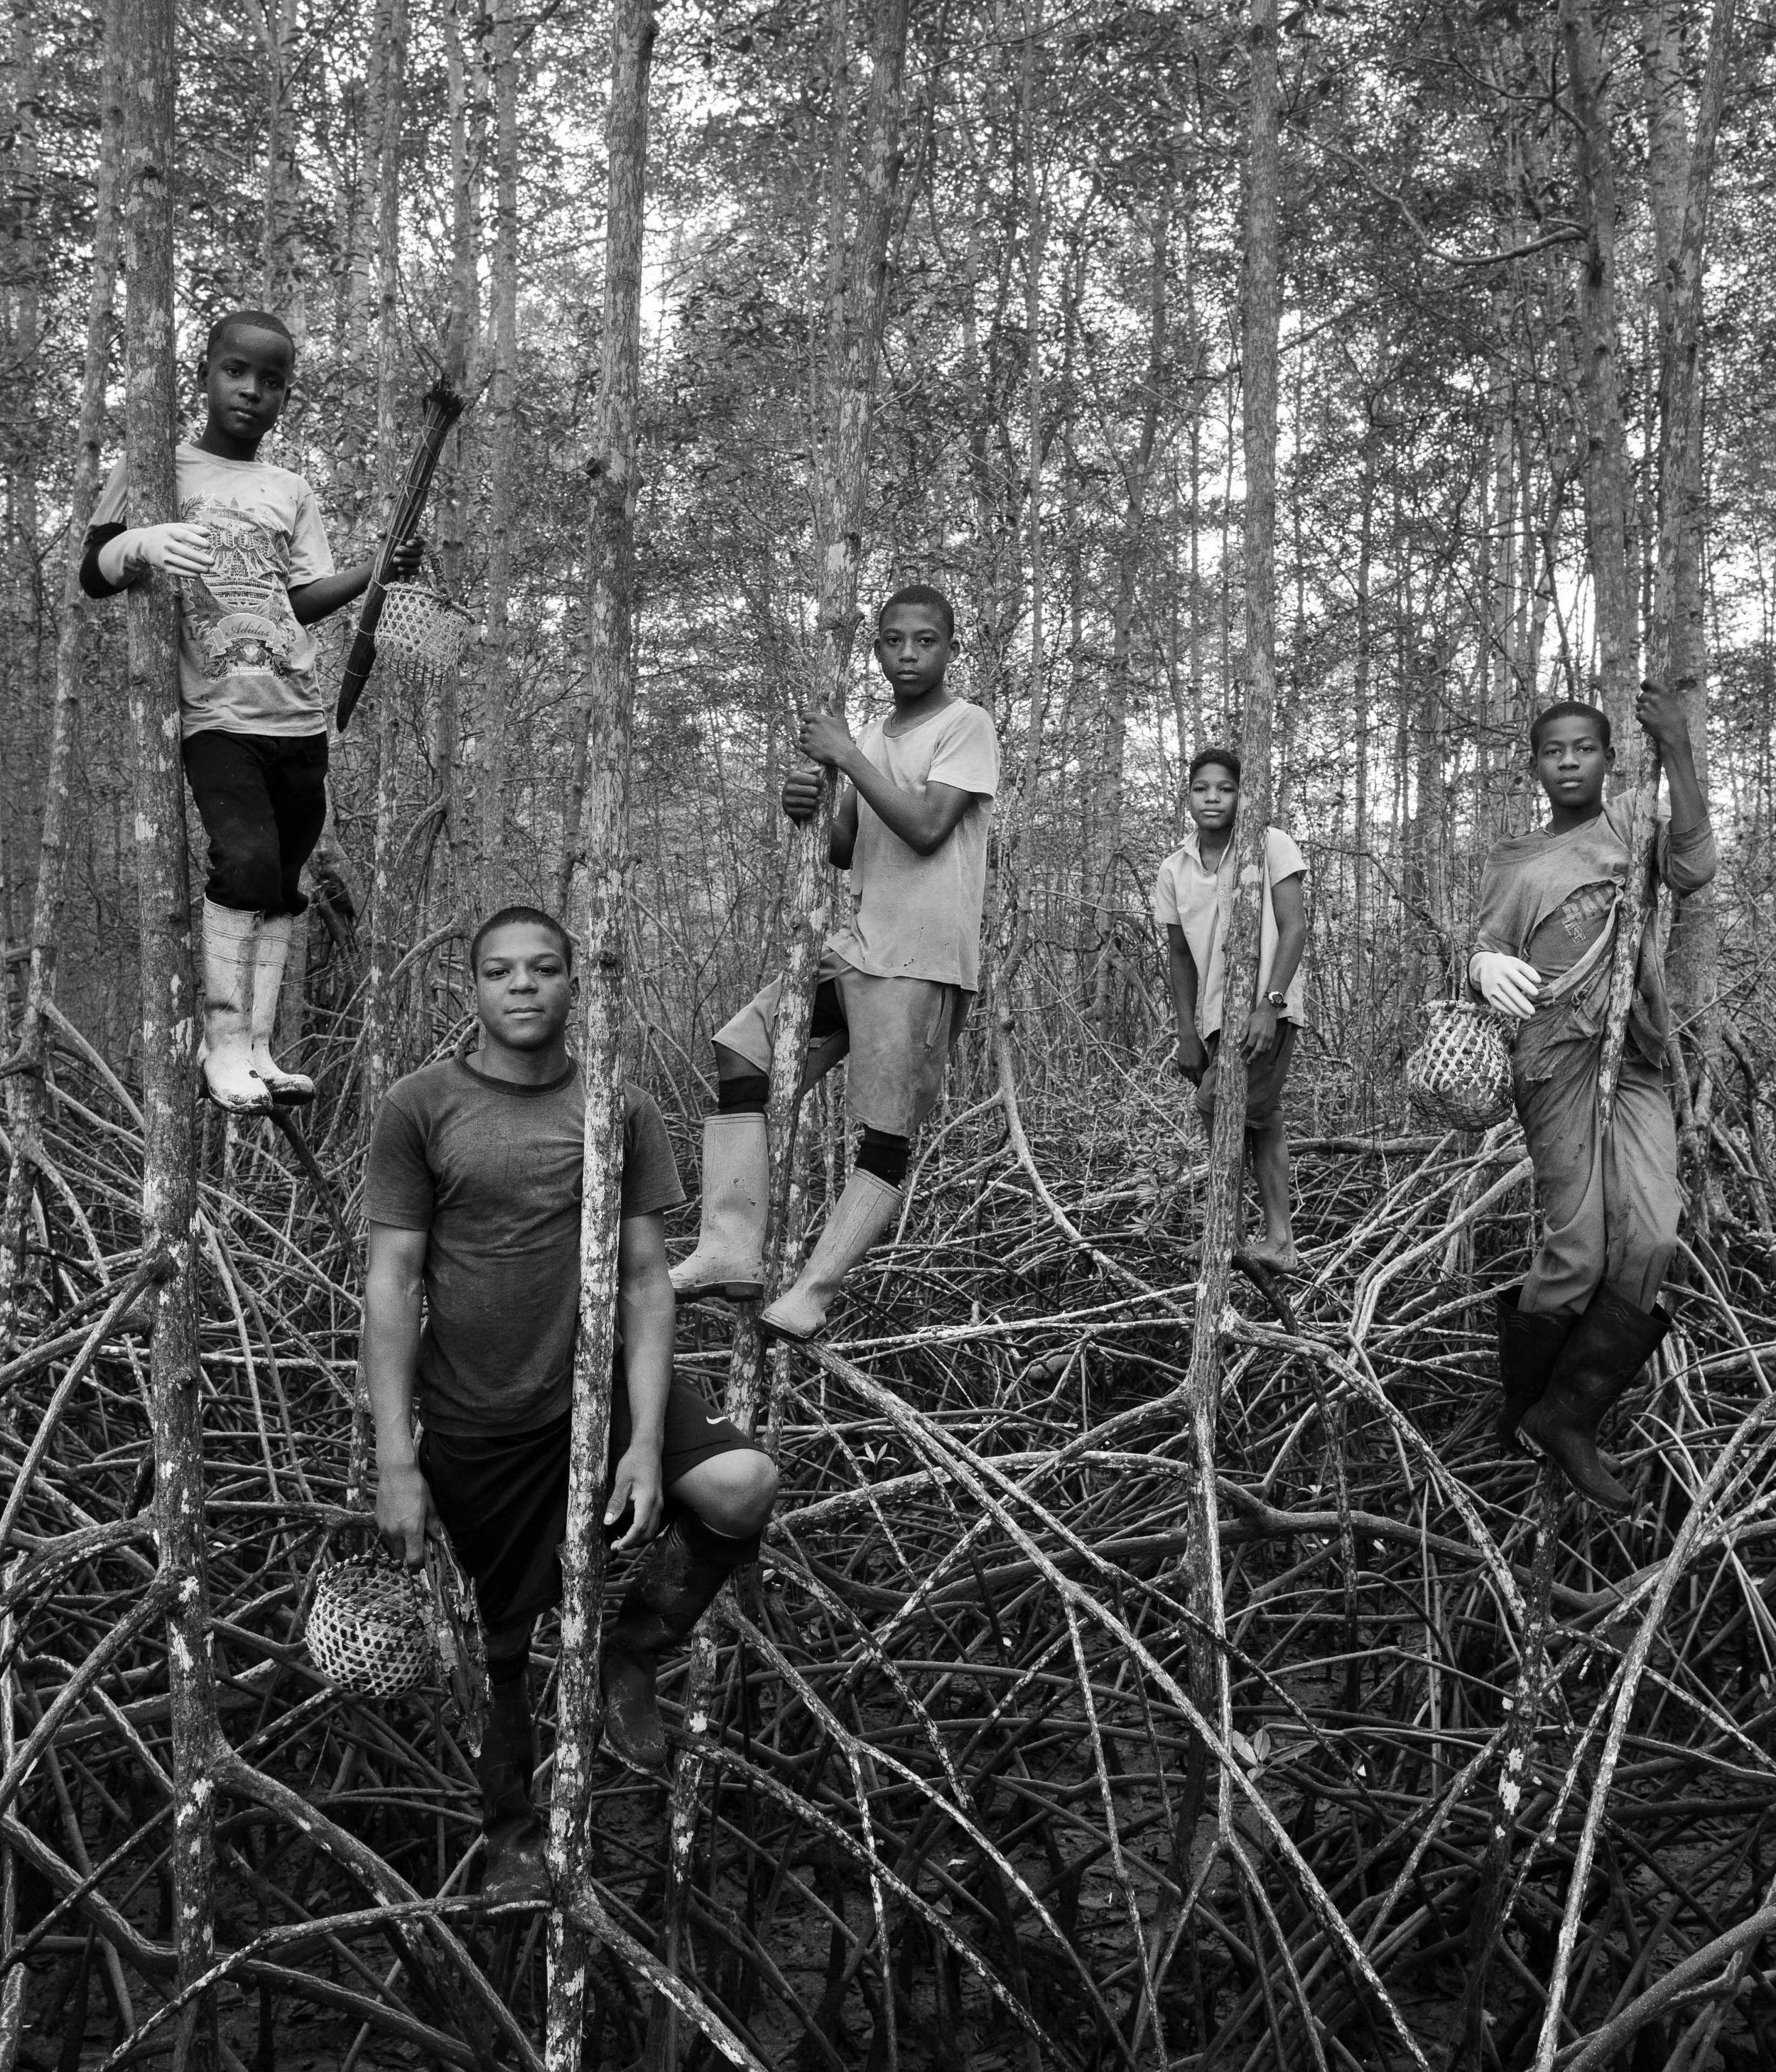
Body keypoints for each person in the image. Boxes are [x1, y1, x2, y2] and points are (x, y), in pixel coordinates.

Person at [364, 908, 779, 1903]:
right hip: (477, 1418)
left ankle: (629, 1658)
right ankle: (510, 1837)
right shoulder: (419, 1108)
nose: (522, 986)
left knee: (741, 1484)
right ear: (472, 989)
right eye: (500, 971)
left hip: (594, 1394)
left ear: (570, 987)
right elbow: (391, 1280)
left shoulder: (617, 1110)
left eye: (543, 968)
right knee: (505, 1649)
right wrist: (396, 1459)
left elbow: (645, 1280)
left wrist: (639, 1449)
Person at [80, 309, 423, 1112]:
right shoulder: (157, 466)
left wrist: (375, 569)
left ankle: (260, 1048)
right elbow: (92, 573)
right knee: (245, 863)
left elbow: (301, 601)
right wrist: (147, 542)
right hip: (217, 714)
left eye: (272, 382)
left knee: (281, 884)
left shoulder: (288, 490)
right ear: (205, 372)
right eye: (238, 371)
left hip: (298, 716)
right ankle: (223, 1045)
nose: (253, 391)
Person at [673, 585, 999, 1340]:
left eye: (924, 641)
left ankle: (815, 1290)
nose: (907, 655)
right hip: (856, 944)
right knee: (741, 1048)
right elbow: (846, 844)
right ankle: (728, 1247)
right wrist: (806, 803)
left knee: (885, 1131)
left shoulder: (965, 725)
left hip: (920, 958)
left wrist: (846, 754)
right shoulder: (878, 736)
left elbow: (923, 827)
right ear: (877, 648)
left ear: (951, 649)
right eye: (893, 641)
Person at [1470, 688, 1715, 1512]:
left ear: (1609, 759)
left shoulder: (1634, 824)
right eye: (1553, 749)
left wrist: (1676, 748)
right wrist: (1479, 965)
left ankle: (1571, 1413)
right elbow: (1485, 949)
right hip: (1550, 1059)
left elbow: (1694, 868)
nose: (1569, 759)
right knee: (1577, 1248)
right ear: (1534, 764)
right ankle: (1524, 1408)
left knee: (1649, 1230)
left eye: (1585, 747)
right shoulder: (1516, 857)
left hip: (1634, 1052)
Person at [1153, 747, 1308, 1271]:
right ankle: (1278, 1240)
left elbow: (1295, 927)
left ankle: (1228, 1231)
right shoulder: (1174, 868)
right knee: (1260, 1121)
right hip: (1217, 1018)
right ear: (1188, 795)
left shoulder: (1270, 844)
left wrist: (1271, 1004)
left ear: (1244, 793)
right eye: (1202, 788)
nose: (1213, 797)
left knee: (1214, 1103)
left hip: (1270, 1012)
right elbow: (1179, 956)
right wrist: (1188, 1032)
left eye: (1225, 788)